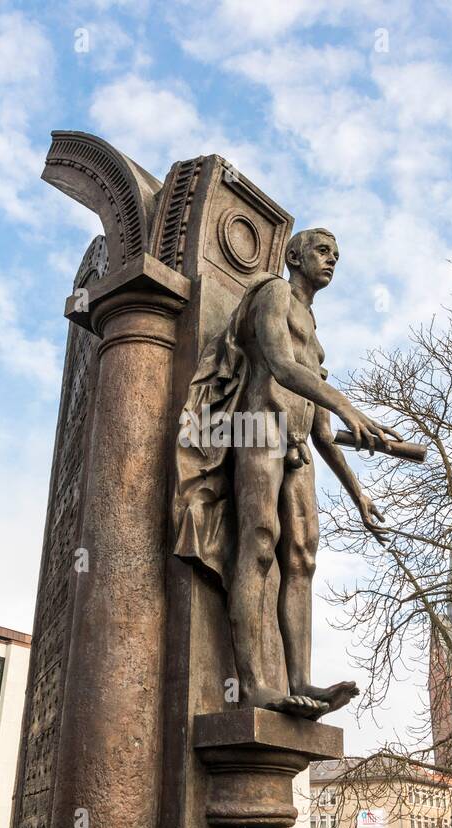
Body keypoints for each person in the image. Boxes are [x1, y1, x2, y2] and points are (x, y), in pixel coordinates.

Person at [174, 228, 402, 718]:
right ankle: (253, 684)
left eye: (337, 255)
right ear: (294, 256)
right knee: (258, 542)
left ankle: (299, 681)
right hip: (258, 428)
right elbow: (278, 364)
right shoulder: (272, 292)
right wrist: (345, 404)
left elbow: (321, 430)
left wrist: (358, 493)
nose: (332, 260)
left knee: (302, 558)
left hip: (297, 446)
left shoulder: (315, 337)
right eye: (323, 251)